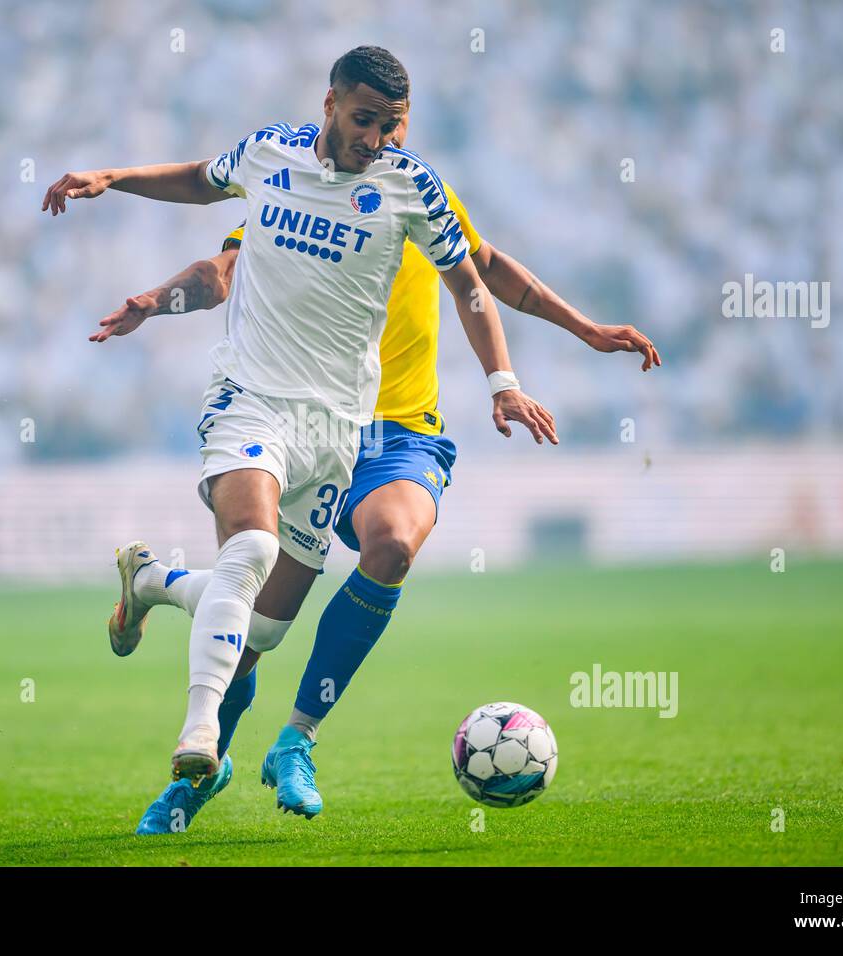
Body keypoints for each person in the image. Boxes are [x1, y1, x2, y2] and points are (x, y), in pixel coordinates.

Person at [42, 46, 553, 795]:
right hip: (250, 396)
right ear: (330, 102)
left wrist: (503, 382)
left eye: (389, 125)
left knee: (267, 628)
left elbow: (472, 283)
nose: (374, 138)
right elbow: (201, 180)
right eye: (362, 119)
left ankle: (153, 580)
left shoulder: (411, 187)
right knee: (248, 548)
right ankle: (201, 735)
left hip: (336, 427)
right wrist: (115, 182)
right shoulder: (270, 153)